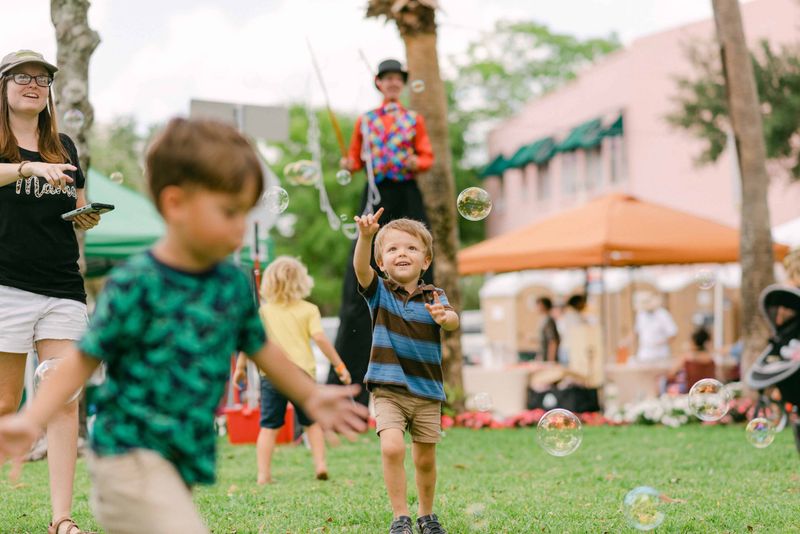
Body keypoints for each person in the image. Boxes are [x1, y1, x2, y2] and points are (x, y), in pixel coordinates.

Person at [0, 118, 368, 534]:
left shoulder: (230, 284)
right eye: (229, 211)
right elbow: (79, 362)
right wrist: (33, 419)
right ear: (176, 204)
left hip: (184, 456)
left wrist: (311, 395)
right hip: (128, 455)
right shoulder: (136, 283)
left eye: (245, 213)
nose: (240, 227)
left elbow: (265, 350)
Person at [0, 49, 102, 534]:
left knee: (64, 400)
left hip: (62, 286)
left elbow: (76, 206)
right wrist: (27, 169)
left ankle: (62, 519)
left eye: (41, 78)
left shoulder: (64, 145)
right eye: (22, 76)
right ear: (3, 86)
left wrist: (86, 214)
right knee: (4, 404)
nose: (33, 84)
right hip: (6, 286)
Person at [332, 58, 435, 406]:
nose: (392, 84)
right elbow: (355, 160)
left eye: (397, 79)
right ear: (379, 83)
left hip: (406, 193)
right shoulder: (367, 121)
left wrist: (414, 163)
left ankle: (421, 379)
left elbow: (426, 157)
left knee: (419, 266)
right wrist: (349, 164)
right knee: (358, 274)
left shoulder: (413, 120)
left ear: (402, 84)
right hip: (376, 194)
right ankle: (352, 386)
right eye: (387, 79)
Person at [353, 209, 458, 534]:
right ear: (381, 262)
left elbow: (454, 320)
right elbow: (360, 268)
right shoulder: (380, 292)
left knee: (425, 459)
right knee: (393, 447)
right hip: (389, 389)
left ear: (425, 261)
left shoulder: (434, 296)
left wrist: (445, 317)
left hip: (427, 392)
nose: (402, 253)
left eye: (411, 248)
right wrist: (366, 237)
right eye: (393, 249)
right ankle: (401, 516)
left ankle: (426, 515)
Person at [234, 256, 352, 484]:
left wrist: (240, 369)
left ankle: (263, 474)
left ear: (269, 282)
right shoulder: (308, 310)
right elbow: (320, 339)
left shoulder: (264, 313)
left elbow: (250, 341)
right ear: (302, 281)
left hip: (271, 376)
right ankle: (320, 465)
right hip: (303, 375)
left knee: (269, 427)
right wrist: (339, 365)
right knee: (312, 423)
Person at [663, 327, 715, 394]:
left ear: (693, 342)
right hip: (707, 389)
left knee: (663, 382)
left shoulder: (687, 357)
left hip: (689, 390)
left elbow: (671, 373)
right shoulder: (710, 359)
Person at [631, 290, 678, 364]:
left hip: (660, 354)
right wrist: (626, 342)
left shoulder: (663, 314)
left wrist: (659, 343)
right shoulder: (640, 314)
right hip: (644, 353)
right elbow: (636, 332)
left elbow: (673, 334)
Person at [557, 294, 588, 365]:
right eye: (583, 302)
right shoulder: (575, 317)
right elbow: (581, 332)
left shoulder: (565, 315)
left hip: (564, 348)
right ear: (578, 303)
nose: (585, 305)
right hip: (572, 349)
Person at [536, 297, 560, 362]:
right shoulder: (544, 320)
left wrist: (551, 360)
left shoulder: (549, 321)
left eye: (538, 305)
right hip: (544, 357)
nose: (537, 307)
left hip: (548, 359)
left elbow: (553, 341)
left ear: (543, 306)